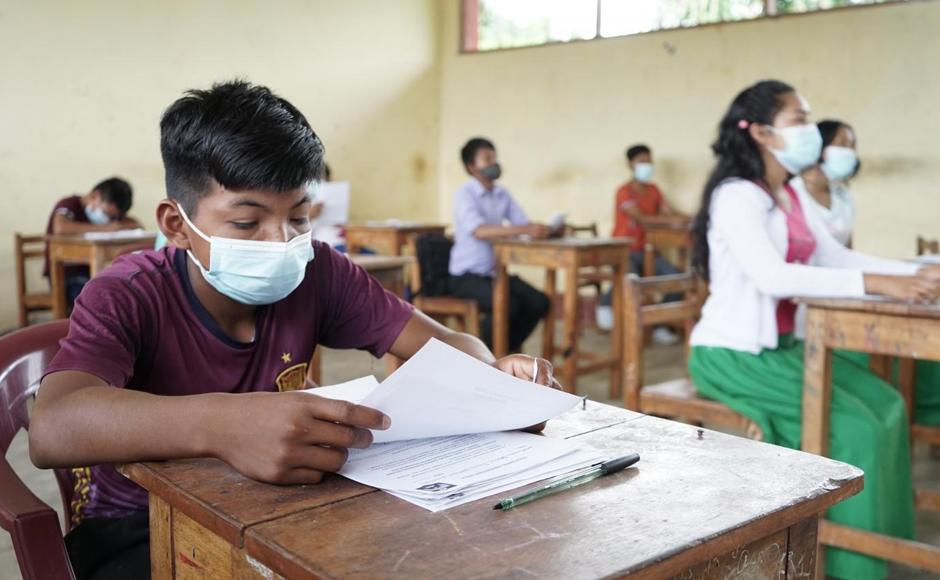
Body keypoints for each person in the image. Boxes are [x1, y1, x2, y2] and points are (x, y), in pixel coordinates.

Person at [29, 82, 558, 580]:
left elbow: (445, 343)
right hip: (140, 529)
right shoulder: (130, 291)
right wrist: (222, 426)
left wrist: (494, 376)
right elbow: (55, 426)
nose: (280, 241)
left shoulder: (319, 273)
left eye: (299, 218)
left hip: (280, 512)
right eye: (246, 223)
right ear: (175, 225)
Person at [687, 79, 940, 580]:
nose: (810, 130)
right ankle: (853, 566)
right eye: (798, 120)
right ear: (762, 133)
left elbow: (833, 255)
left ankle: (880, 546)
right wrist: (880, 283)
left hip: (784, 346)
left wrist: (912, 275)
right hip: (733, 353)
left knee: (889, 405)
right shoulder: (738, 196)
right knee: (858, 427)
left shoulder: (787, 195)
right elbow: (772, 276)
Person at [448, 137, 552, 353]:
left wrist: (543, 229)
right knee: (508, 304)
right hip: (465, 277)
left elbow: (522, 223)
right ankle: (482, 357)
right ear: (471, 166)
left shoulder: (501, 193)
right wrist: (524, 229)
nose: (494, 163)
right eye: (487, 158)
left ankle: (504, 350)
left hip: (495, 274)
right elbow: (479, 231)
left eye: (494, 157)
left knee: (539, 302)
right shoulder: (464, 194)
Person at [601, 144, 684, 342]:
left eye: (649, 161)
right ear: (630, 164)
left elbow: (669, 213)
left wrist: (689, 218)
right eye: (642, 161)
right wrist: (675, 220)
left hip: (649, 251)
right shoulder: (624, 191)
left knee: (677, 278)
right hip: (625, 249)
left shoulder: (654, 190)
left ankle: (658, 326)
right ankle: (606, 305)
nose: (647, 165)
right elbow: (642, 219)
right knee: (631, 279)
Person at [44, 178, 141, 303]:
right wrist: (104, 228)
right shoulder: (70, 204)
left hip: (91, 273)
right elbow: (60, 227)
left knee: (123, 293)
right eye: (106, 214)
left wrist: (118, 225)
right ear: (95, 195)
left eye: (113, 217)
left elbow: (137, 225)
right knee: (94, 298)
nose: (108, 220)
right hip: (66, 277)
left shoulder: (109, 217)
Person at [790, 120, 859, 246]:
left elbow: (847, 249)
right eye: (842, 144)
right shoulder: (793, 192)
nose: (849, 153)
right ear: (820, 146)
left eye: (852, 146)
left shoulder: (842, 195)